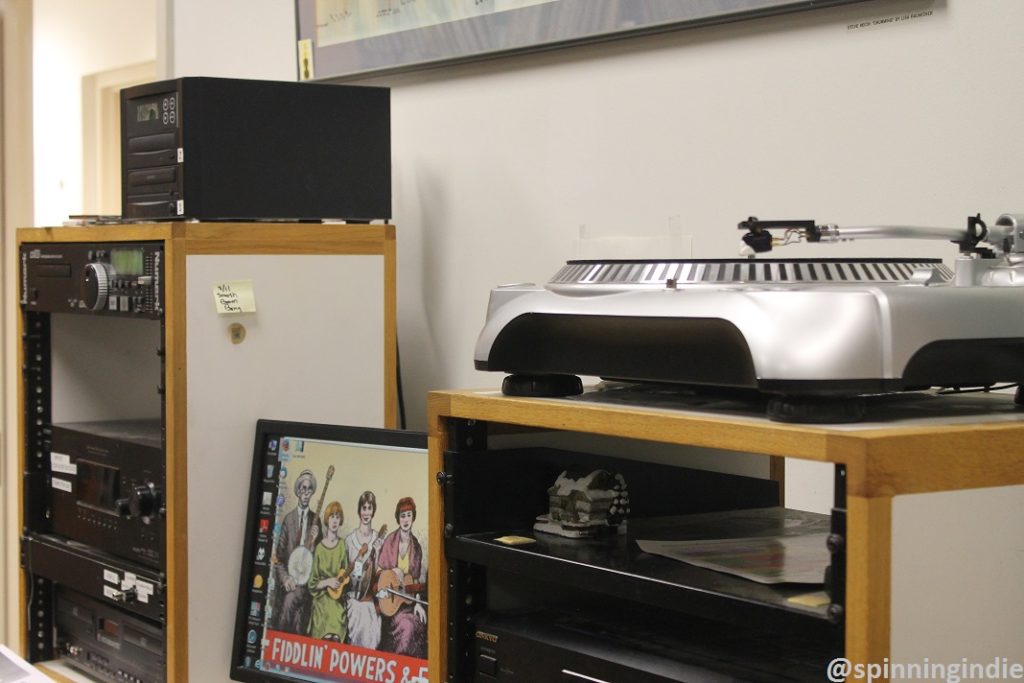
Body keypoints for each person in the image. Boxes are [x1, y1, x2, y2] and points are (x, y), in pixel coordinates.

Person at [269, 470, 320, 634]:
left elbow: (319, 562)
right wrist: (284, 578)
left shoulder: (316, 522)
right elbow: (277, 558)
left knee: (297, 614)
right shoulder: (288, 520)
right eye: (303, 489)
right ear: (298, 491)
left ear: (312, 493)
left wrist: (314, 545)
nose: (306, 493)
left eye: (309, 489)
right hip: (289, 582)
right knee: (291, 607)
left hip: (306, 584)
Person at [376, 497, 427, 658]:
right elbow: (379, 573)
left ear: (413, 517)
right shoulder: (390, 540)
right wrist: (392, 570)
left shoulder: (416, 547)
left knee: (417, 621)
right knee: (407, 625)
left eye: (409, 515)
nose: (405, 520)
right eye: (402, 515)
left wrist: (418, 603)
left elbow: (416, 581)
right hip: (388, 599)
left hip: (407, 602)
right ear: (398, 517)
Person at [345, 491, 384, 649]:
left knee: (371, 625)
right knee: (356, 613)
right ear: (359, 510)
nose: (366, 512)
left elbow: (380, 574)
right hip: (353, 598)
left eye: (369, 508)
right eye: (364, 508)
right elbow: (349, 575)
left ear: (373, 511)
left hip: (370, 599)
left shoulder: (378, 540)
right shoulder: (350, 540)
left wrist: (378, 553)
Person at [308, 501, 348, 641]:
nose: (335, 521)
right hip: (322, 599)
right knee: (325, 634)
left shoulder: (342, 545)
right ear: (327, 519)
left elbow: (346, 573)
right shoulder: (319, 548)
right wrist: (327, 582)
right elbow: (312, 584)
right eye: (332, 517)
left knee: (336, 632)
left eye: (337, 517)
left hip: (337, 599)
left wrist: (341, 581)